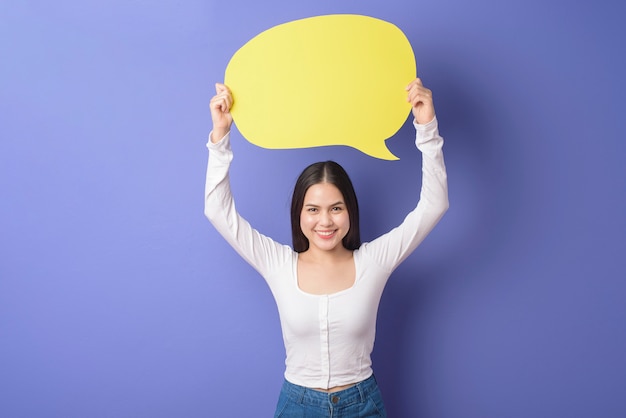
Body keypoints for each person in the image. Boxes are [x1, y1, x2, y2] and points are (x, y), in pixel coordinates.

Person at [205, 78, 449, 417]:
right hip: (298, 406)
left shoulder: (374, 261)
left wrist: (426, 127)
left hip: (362, 405)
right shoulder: (277, 264)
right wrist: (220, 137)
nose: (325, 222)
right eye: (313, 209)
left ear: (350, 210)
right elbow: (218, 211)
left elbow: (434, 205)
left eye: (336, 208)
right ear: (299, 214)